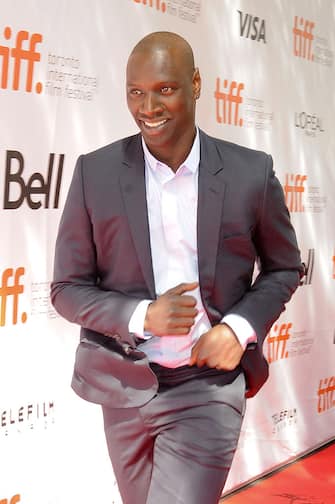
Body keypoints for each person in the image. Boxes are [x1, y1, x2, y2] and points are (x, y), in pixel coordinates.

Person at [51, 31, 303, 504]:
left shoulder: (250, 172)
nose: (148, 106)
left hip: (205, 387)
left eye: (164, 89)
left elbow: (284, 268)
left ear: (196, 84)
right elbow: (66, 288)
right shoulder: (95, 173)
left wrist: (237, 328)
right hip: (123, 386)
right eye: (135, 91)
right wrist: (142, 315)